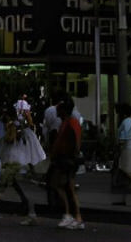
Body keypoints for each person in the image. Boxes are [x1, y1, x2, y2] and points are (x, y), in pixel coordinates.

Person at [0, 103, 43, 226]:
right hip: (16, 163)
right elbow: (0, 142)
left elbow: (9, 139)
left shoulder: (16, 127)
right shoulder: (17, 126)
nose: (2, 121)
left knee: (1, 186)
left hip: (13, 163)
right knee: (21, 191)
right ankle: (32, 215)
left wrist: (11, 128)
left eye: (4, 117)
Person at [45, 98, 85, 230]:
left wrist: (71, 154)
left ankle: (71, 215)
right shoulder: (66, 122)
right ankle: (74, 217)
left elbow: (75, 141)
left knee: (59, 185)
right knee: (66, 187)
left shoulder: (70, 123)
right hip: (65, 158)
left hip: (66, 159)